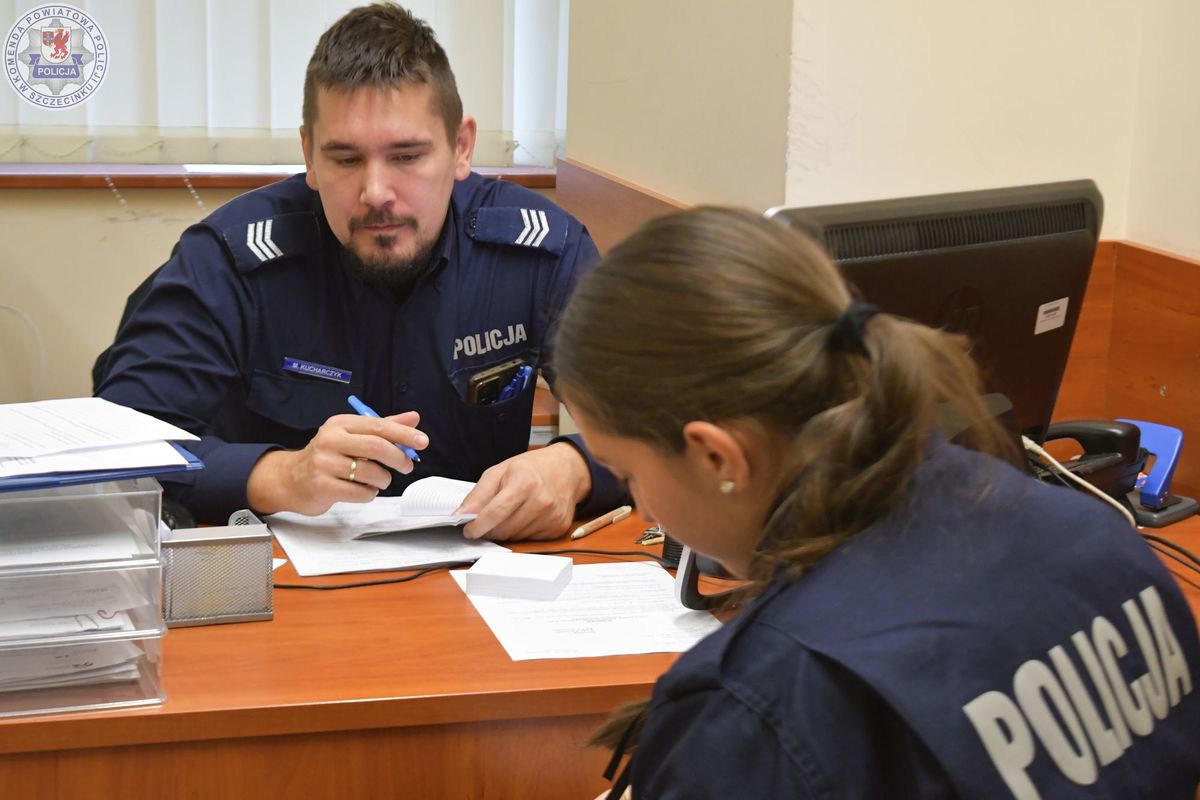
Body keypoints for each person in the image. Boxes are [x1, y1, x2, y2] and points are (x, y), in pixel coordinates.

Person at [553, 207, 1200, 798]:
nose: (644, 511)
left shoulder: (760, 713)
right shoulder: (1102, 542)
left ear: (717, 458)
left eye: (627, 472)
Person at [94, 3, 621, 538]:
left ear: (461, 147)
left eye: (407, 156)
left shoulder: (538, 254)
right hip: (276, 573)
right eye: (346, 159)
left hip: (482, 571)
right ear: (309, 154)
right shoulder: (232, 259)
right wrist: (280, 475)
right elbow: (114, 446)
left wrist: (573, 468)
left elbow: (654, 418)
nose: (375, 193)